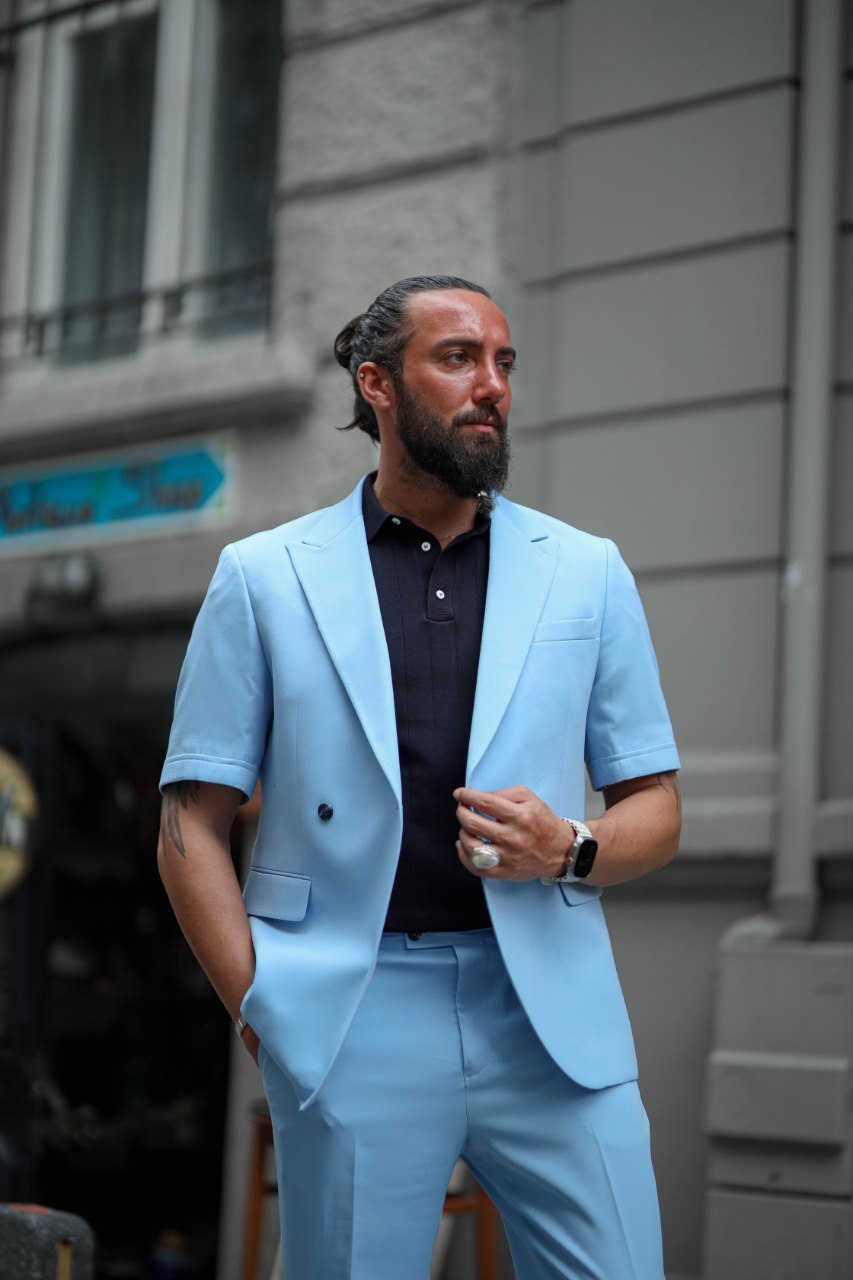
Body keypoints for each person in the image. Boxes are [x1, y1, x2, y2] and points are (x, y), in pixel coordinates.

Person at [157, 274, 682, 1279]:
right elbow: (189, 820)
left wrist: (568, 847)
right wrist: (262, 1005)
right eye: (458, 357)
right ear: (377, 382)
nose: (491, 383)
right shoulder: (265, 574)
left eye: (504, 362)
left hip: (550, 1018)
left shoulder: (587, 570)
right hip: (354, 1009)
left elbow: (655, 810)